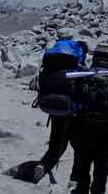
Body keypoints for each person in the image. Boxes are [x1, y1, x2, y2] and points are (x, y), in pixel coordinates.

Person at [68, 45, 108, 194]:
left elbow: (73, 105)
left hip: (83, 128)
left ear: (95, 58)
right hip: (106, 130)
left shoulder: (83, 76)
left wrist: (70, 130)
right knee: (101, 168)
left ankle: (81, 189)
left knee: (82, 164)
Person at [33, 30, 87, 183]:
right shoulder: (78, 68)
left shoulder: (52, 66)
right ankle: (46, 166)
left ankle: (44, 164)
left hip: (51, 106)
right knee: (67, 144)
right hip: (70, 110)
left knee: (56, 140)